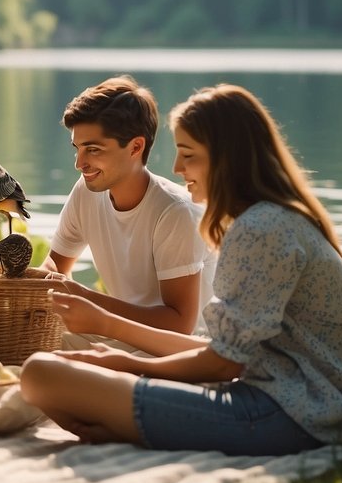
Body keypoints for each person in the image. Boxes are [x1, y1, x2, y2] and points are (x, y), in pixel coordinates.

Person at [20, 84, 342, 455]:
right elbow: (225, 352)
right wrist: (116, 350)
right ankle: (122, 426)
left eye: (188, 155)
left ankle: (123, 427)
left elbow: (220, 364)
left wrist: (127, 363)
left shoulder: (260, 229)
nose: (177, 168)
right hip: (303, 401)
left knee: (42, 375)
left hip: (310, 415)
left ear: (227, 157)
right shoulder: (263, 220)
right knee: (50, 371)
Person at [44, 76, 214, 343]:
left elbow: (180, 324)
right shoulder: (87, 190)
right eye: (77, 149)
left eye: (93, 149)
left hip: (182, 350)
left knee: (46, 365)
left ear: (136, 147)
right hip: (121, 336)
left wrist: (87, 299)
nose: (80, 163)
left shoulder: (175, 212)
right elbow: (56, 267)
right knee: (34, 351)